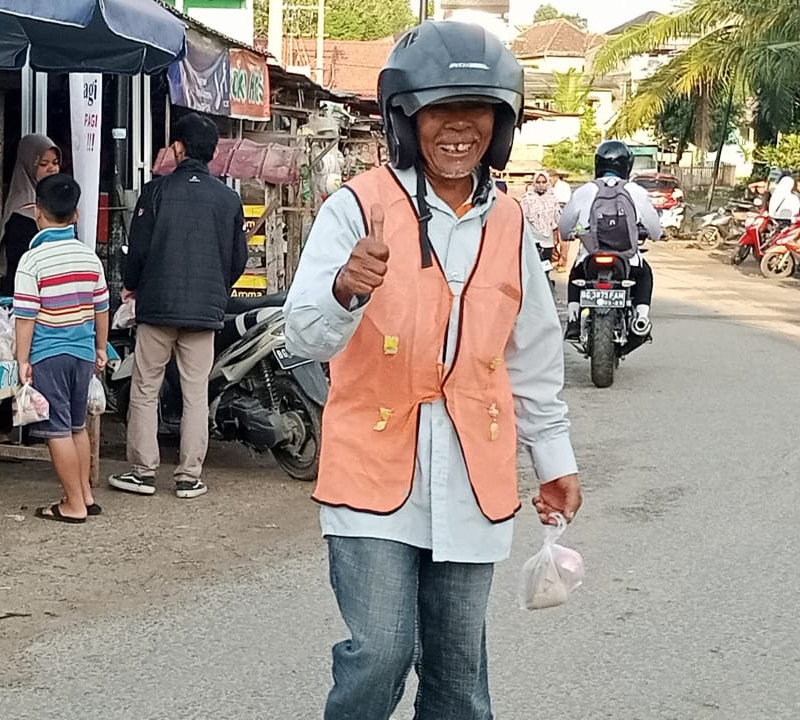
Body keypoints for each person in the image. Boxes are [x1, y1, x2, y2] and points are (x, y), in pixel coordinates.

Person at [283, 22, 582, 720]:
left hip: (474, 477)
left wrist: (555, 459)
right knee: (381, 652)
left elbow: (533, 357)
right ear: (404, 117)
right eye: (439, 109)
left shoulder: (510, 222)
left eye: (477, 110)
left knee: (458, 679)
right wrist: (344, 291)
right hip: (371, 467)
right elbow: (300, 335)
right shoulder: (355, 208)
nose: (458, 128)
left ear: (500, 124)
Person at [108, 113, 247, 500]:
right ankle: (189, 476)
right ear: (213, 153)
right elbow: (237, 260)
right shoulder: (228, 199)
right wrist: (215, 290)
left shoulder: (156, 193)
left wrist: (131, 287)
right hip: (204, 313)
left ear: (178, 148)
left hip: (157, 308)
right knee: (195, 392)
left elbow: (137, 251)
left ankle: (143, 471)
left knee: (146, 387)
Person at [14, 174, 110, 523]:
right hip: (83, 354)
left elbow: (25, 316)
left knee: (56, 430)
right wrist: (100, 347)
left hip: (49, 355)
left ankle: (72, 504)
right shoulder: (90, 259)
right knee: (76, 426)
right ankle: (85, 493)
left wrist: (22, 359)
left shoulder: (32, 261)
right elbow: (102, 308)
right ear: (77, 216)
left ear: (37, 212)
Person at [559, 140, 662, 341]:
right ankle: (641, 319)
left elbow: (564, 226)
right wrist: (654, 235)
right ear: (627, 165)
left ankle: (573, 322)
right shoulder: (636, 191)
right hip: (627, 258)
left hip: (590, 256)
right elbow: (655, 228)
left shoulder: (584, 191)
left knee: (575, 277)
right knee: (645, 276)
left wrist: (569, 234)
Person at [0, 134, 62, 298]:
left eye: (55, 163)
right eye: (43, 164)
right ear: (29, 165)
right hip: (24, 295)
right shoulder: (21, 210)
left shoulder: (54, 201)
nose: (52, 169)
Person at [522, 171, 561, 285]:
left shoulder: (552, 198)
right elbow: (522, 217)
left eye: (544, 182)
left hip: (547, 241)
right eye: (538, 182)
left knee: (546, 267)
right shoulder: (527, 199)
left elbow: (558, 218)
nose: (541, 184)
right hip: (533, 240)